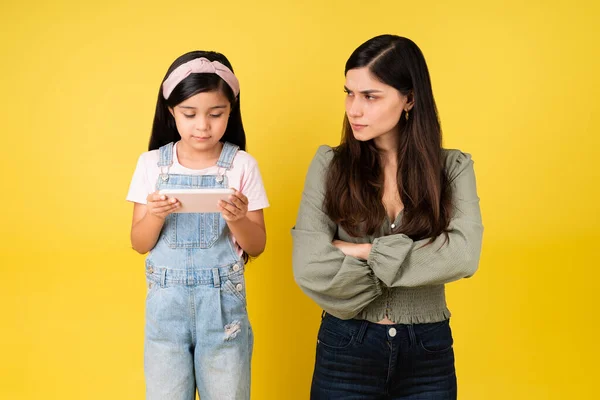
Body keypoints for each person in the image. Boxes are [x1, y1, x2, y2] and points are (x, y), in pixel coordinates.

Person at [292, 35, 483, 399]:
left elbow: (463, 255)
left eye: (370, 96)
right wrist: (422, 259)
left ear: (409, 98)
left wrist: (362, 251)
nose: (354, 109)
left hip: (428, 352)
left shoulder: (453, 168)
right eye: (349, 93)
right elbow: (309, 265)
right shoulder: (329, 165)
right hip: (346, 346)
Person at [126, 50, 269, 400]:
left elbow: (257, 245)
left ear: (230, 111)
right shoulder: (151, 165)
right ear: (171, 111)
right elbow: (139, 243)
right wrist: (156, 214)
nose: (202, 125)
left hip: (222, 308)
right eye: (189, 114)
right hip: (166, 308)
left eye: (215, 114)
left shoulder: (241, 165)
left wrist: (237, 219)